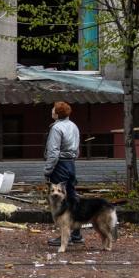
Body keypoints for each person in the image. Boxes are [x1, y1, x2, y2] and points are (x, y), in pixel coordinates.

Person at [44, 101, 81, 246]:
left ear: (57, 113)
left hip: (60, 165)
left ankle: (65, 236)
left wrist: (47, 170)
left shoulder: (56, 128)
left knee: (60, 202)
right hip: (71, 164)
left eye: (53, 109)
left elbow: (53, 152)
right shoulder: (74, 126)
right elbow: (77, 149)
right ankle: (76, 233)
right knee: (72, 198)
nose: (51, 111)